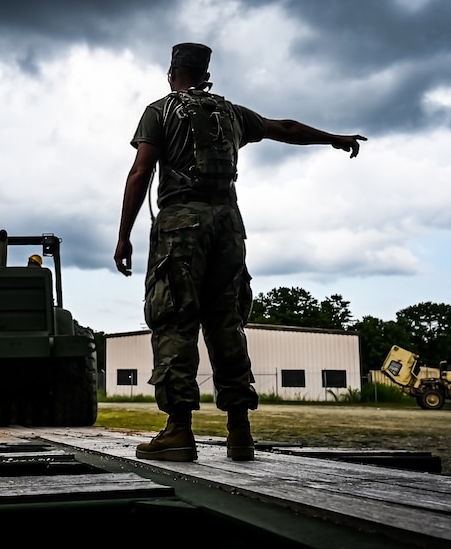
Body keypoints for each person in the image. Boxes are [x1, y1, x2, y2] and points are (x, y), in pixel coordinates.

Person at [113, 42, 366, 462]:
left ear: (172, 72)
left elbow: (140, 171)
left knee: (175, 320)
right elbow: (283, 127)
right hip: (229, 227)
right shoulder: (231, 113)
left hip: (181, 227)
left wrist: (124, 235)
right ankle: (239, 432)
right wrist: (332, 139)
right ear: (206, 74)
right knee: (227, 323)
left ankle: (178, 431)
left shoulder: (160, 110)